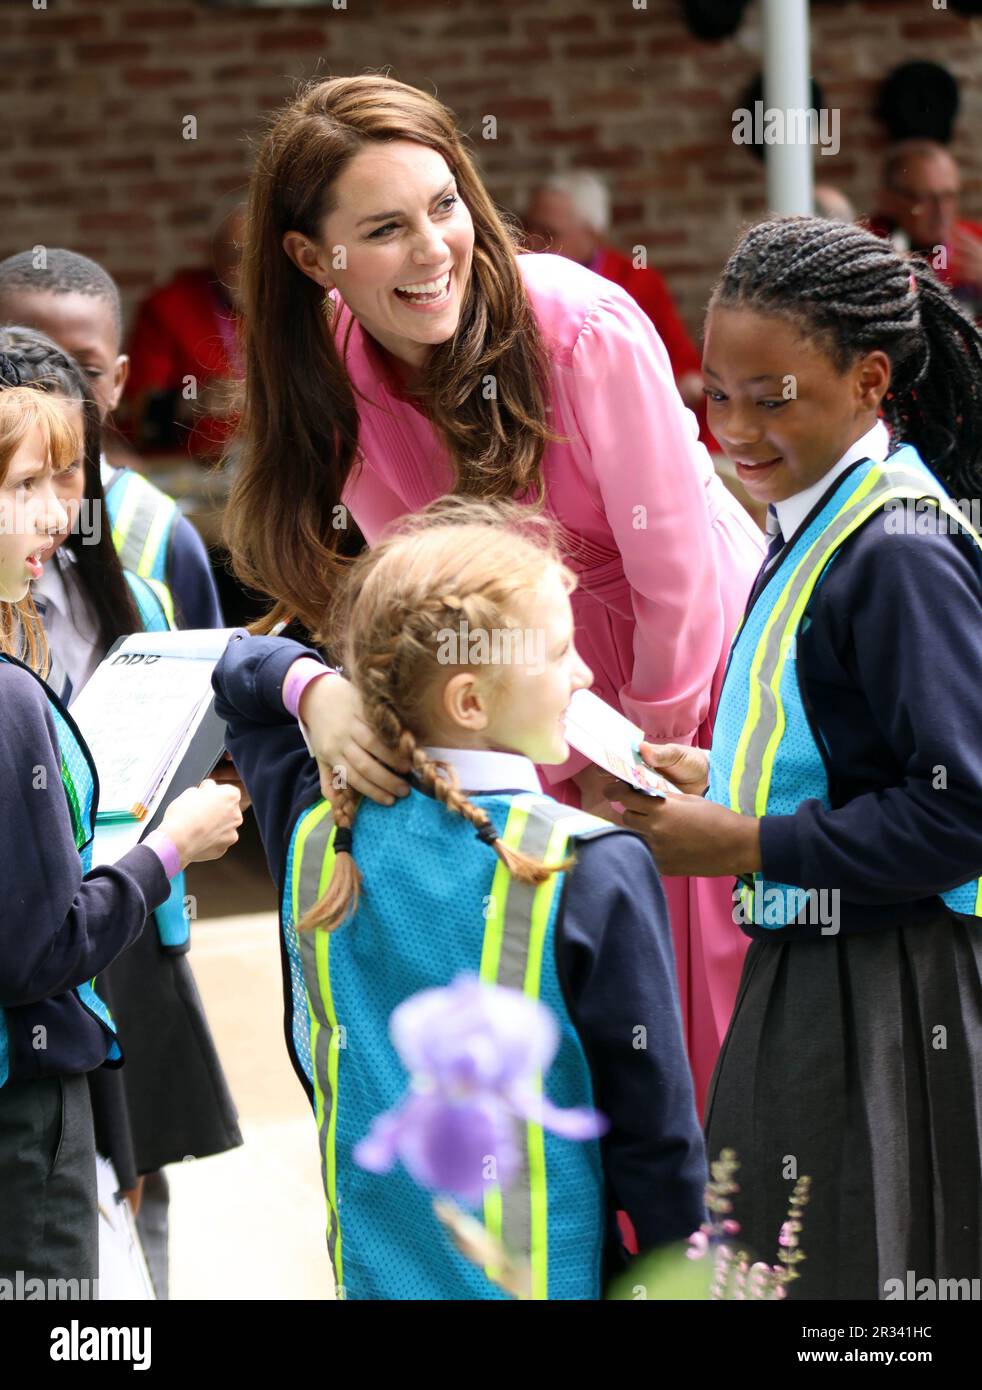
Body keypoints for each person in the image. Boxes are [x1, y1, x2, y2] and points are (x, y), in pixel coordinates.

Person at [225, 74, 765, 1110]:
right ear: (311, 257)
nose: (434, 249)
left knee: (695, 1017)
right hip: (517, 702)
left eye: (445, 205)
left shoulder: (583, 327)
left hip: (680, 681)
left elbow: (679, 577)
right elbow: (429, 607)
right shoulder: (332, 368)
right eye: (384, 227)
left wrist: (630, 758)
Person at [604, 216, 982, 1299]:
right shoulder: (811, 522)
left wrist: (747, 837)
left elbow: (960, 808)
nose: (734, 426)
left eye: (772, 395)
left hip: (890, 989)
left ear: (869, 381)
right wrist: (715, 782)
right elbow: (844, 748)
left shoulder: (896, 549)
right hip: (816, 963)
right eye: (715, 393)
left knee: (856, 1279)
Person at [212, 500, 707, 1300]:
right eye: (560, 651)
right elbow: (659, 1146)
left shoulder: (317, 820)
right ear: (471, 703)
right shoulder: (591, 865)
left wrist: (312, 691)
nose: (583, 675)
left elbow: (239, 675)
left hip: (368, 1278)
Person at [0, 329, 243, 1297]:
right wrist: (171, 850)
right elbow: (37, 953)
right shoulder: (11, 695)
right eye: (26, 485)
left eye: (70, 479)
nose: (62, 513)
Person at [0, 248, 223, 628]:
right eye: (24, 361)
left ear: (119, 381)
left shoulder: (154, 528)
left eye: (84, 370)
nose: (57, 394)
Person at [523, 171, 715, 446]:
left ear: (592, 235)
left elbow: (684, 369)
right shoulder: (519, 284)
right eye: (528, 226)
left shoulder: (637, 282)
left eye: (548, 233)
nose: (531, 241)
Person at [121, 205, 245, 462]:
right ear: (212, 255)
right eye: (235, 255)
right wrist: (197, 399)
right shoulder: (168, 307)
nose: (245, 269)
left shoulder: (294, 304)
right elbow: (135, 415)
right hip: (191, 469)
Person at [869, 139, 982, 323]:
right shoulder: (868, 246)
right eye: (925, 198)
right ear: (888, 199)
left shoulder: (975, 241)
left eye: (949, 196)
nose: (941, 211)